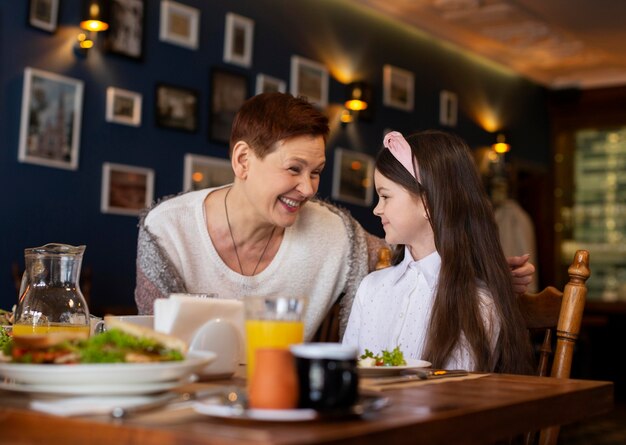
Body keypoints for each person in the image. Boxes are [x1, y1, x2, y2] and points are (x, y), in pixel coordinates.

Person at [134, 92, 535, 342]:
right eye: (293, 169)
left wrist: (480, 267)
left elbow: (412, 254)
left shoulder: (334, 232)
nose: (309, 189)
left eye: (316, 172)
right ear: (243, 160)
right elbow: (155, 349)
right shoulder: (167, 231)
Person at [343, 130, 534, 374]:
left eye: (385, 196)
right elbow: (347, 370)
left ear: (427, 203)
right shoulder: (371, 288)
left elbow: (457, 391)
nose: (377, 210)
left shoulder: (477, 302)